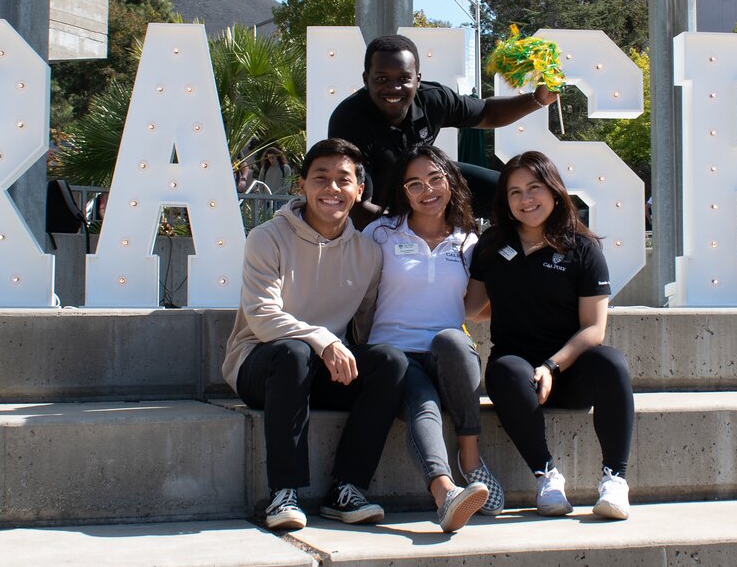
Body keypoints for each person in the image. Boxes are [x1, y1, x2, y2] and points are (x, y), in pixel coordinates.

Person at [221, 137, 405, 531]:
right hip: (261, 363)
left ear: (359, 191)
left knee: (391, 362)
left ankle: (347, 489)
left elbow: (366, 324)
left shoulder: (368, 253)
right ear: (301, 185)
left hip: (320, 368)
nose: (332, 189)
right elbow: (262, 316)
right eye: (321, 178)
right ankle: (284, 494)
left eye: (344, 180)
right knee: (293, 353)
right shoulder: (267, 238)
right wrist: (322, 339)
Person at [466, 150, 635, 521]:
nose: (526, 200)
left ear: (555, 191)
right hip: (517, 374)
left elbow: (594, 328)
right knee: (504, 371)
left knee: (612, 362)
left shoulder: (582, 247)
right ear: (505, 201)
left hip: (568, 370)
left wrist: (550, 367)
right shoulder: (492, 245)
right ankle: (547, 477)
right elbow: (471, 309)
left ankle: (614, 481)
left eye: (535, 188)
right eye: (515, 192)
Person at [365, 146, 500, 533]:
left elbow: (477, 307)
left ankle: (471, 461)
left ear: (451, 181)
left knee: (454, 341)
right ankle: (447, 494)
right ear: (403, 191)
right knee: (422, 403)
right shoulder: (381, 233)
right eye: (415, 183)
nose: (428, 190)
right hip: (393, 355)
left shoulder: (469, 241)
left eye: (436, 179)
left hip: (447, 356)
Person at [328, 33, 557, 225]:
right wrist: (416, 228)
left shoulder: (433, 99)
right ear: (366, 80)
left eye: (404, 78)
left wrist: (537, 99)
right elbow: (356, 207)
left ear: (418, 80)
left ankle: (525, 256)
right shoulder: (348, 121)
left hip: (428, 185)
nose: (394, 87)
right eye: (382, 79)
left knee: (506, 193)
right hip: (383, 207)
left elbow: (487, 112)